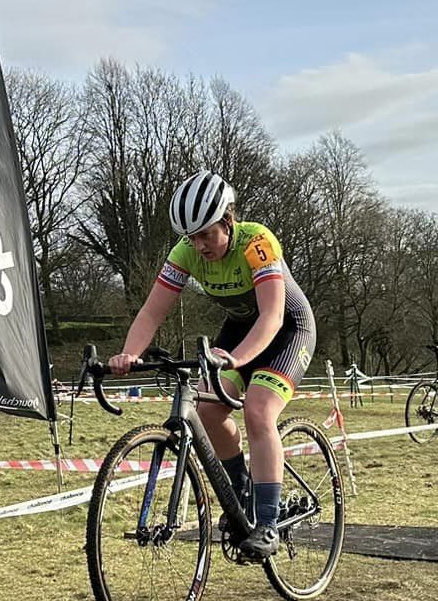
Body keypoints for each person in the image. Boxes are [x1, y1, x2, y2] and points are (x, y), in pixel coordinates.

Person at [108, 170, 315, 560]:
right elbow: (152, 314)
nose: (198, 245)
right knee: (207, 410)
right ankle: (241, 498)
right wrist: (129, 354)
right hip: (239, 331)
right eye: (191, 237)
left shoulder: (257, 243)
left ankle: (268, 522)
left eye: (206, 234)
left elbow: (271, 316)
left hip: (287, 329)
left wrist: (233, 358)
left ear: (228, 221)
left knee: (257, 410)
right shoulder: (184, 253)